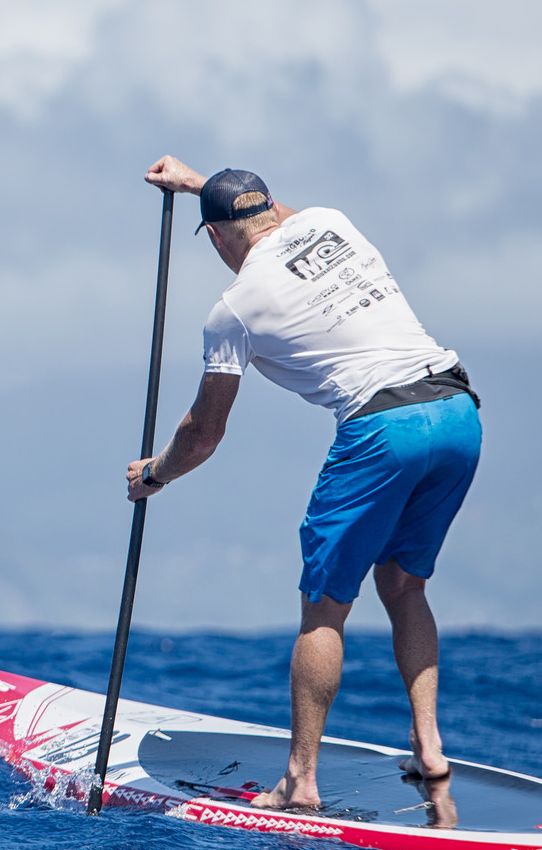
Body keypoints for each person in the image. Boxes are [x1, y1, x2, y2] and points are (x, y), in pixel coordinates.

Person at [127, 157, 481, 813]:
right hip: (458, 408)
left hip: (383, 428)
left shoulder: (232, 309)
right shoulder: (328, 221)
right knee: (404, 585)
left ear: (215, 238)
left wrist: (156, 473)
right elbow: (267, 213)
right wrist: (198, 182)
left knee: (324, 607)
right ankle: (430, 751)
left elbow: (203, 434)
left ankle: (300, 779)